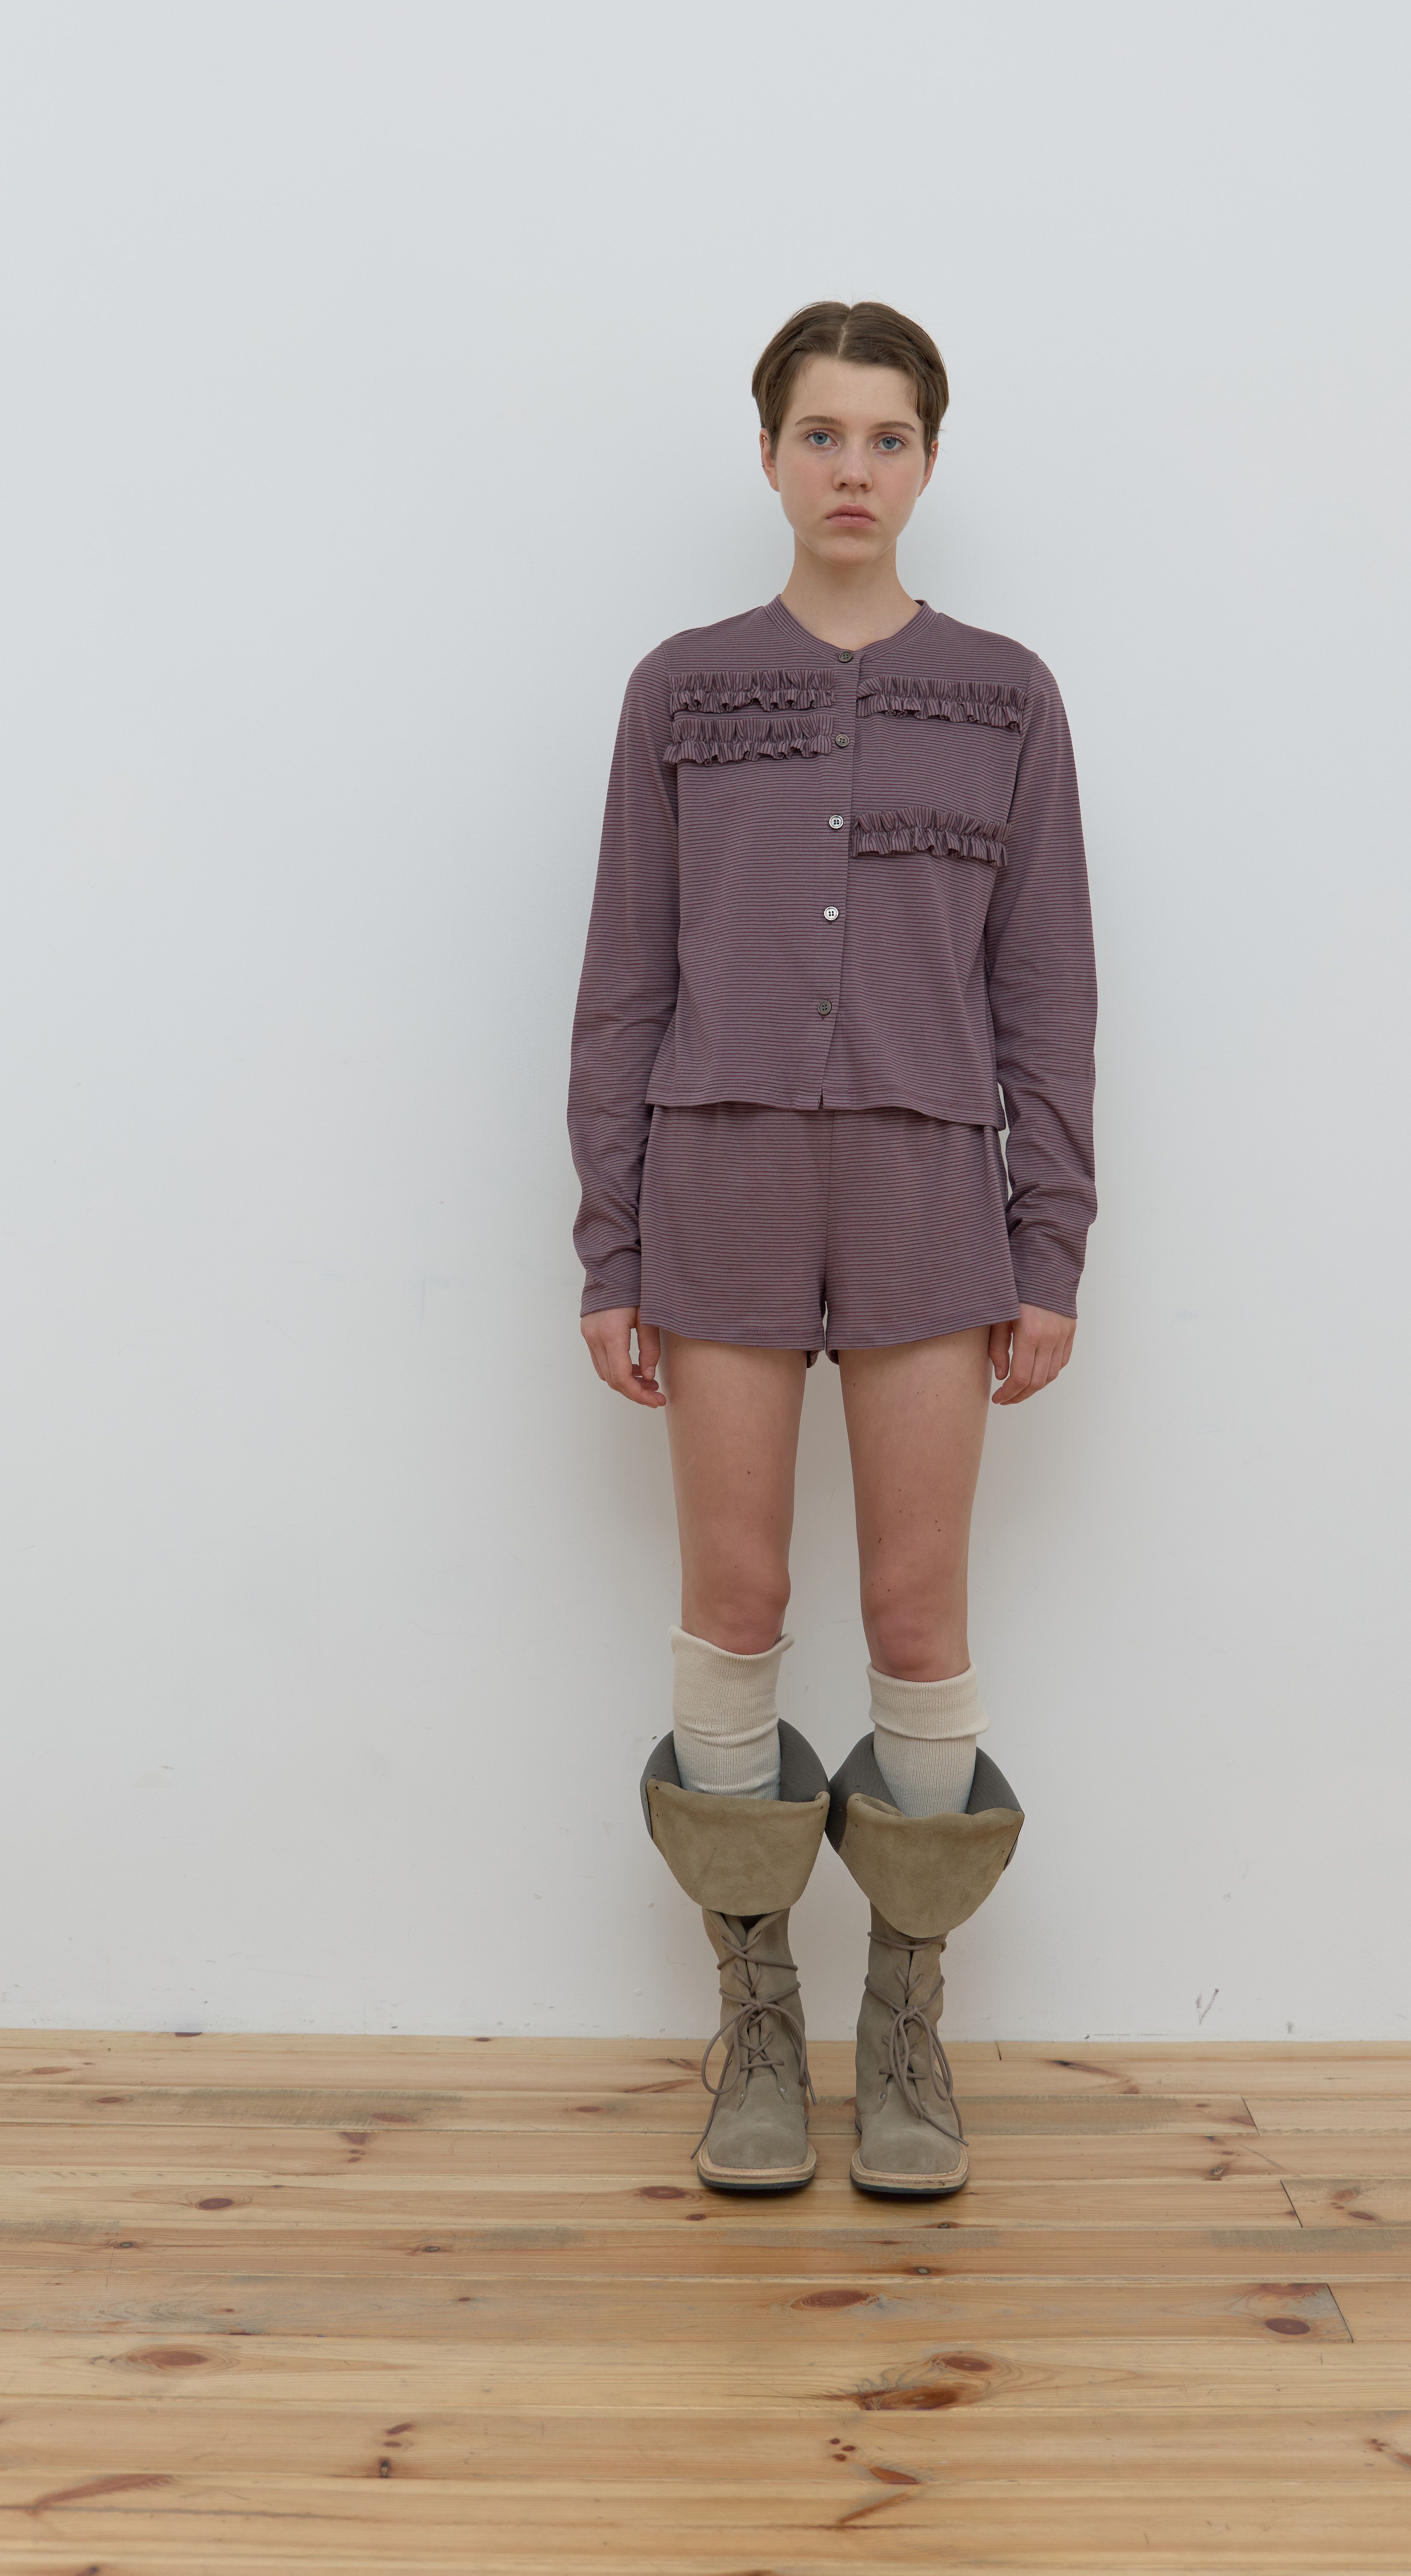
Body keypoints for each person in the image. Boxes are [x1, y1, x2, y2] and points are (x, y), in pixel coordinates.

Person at [567, 298, 1096, 2198]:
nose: (851, 469)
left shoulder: (1006, 697)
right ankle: (758, 2021)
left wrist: (1049, 1244)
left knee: (915, 1613)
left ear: (928, 461)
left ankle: (905, 2026)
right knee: (733, 1597)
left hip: (926, 1191)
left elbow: (1046, 991)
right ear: (770, 455)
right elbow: (626, 978)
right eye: (819, 435)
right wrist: (610, 1243)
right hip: (714, 1184)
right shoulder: (682, 690)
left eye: (885, 437)